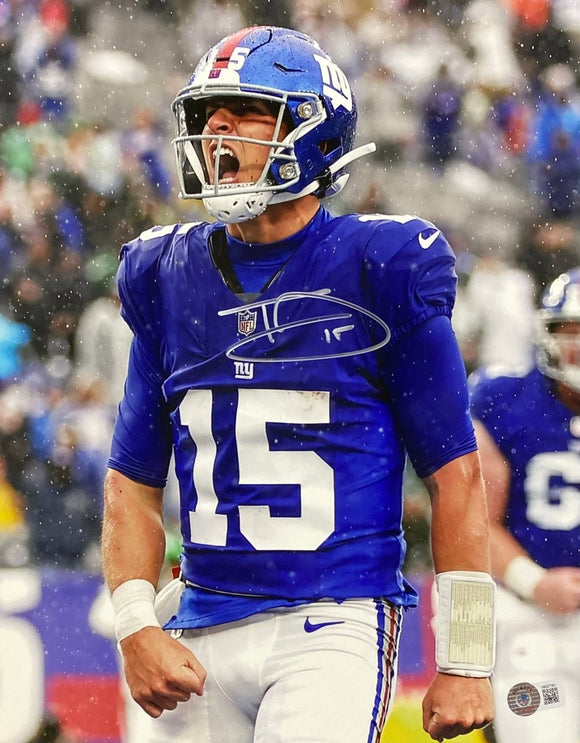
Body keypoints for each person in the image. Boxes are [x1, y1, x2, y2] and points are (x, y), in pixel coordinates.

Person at [101, 25, 495, 743]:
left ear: (314, 132)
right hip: (198, 623)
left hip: (333, 620)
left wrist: (466, 658)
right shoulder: (166, 274)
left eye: (245, 112)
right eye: (208, 115)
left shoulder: (380, 265)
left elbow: (455, 474)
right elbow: (130, 482)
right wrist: (133, 625)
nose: (217, 132)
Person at [470, 268, 580, 743]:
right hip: (530, 623)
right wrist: (535, 583)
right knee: (540, 731)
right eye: (571, 332)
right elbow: (471, 522)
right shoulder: (501, 399)